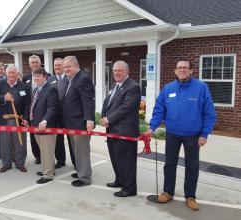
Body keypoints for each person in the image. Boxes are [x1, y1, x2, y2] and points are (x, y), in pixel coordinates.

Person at [144, 59, 216, 211]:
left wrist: (204, 134)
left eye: (185, 68)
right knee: (169, 164)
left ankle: (190, 196)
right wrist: (152, 128)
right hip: (172, 134)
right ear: (175, 71)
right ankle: (168, 192)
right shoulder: (168, 88)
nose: (182, 70)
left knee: (192, 166)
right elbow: (159, 110)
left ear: (191, 70)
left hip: (193, 135)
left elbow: (209, 113)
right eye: (179, 68)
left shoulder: (201, 88)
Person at [101, 61, 141, 197]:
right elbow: (107, 102)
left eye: (119, 70)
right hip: (112, 130)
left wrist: (109, 119)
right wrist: (103, 116)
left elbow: (126, 108)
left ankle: (129, 189)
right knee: (116, 158)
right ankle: (119, 180)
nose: (116, 73)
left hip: (125, 131)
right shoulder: (115, 85)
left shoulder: (133, 87)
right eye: (114, 71)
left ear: (127, 72)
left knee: (126, 161)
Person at [62, 56, 95, 187]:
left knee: (82, 152)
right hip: (71, 123)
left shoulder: (83, 79)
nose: (66, 69)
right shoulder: (70, 80)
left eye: (68, 66)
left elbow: (88, 102)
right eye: (65, 67)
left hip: (80, 124)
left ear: (76, 66)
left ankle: (85, 178)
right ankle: (81, 171)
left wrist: (89, 120)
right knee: (77, 151)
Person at [0, 64, 31, 173]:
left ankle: (20, 163)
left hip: (18, 119)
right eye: (9, 73)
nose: (11, 75)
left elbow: (27, 103)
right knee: (5, 143)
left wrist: (25, 117)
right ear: (6, 73)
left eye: (13, 73)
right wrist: (4, 98)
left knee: (20, 143)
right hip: (4, 119)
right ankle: (6, 163)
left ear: (17, 74)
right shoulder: (0, 84)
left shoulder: (23, 86)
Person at [30, 68, 58, 184]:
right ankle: (48, 169)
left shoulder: (51, 90)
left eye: (38, 76)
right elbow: (34, 106)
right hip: (36, 125)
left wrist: (45, 120)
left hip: (46, 126)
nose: (36, 78)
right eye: (34, 76)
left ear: (45, 77)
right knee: (44, 151)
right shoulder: (37, 89)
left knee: (47, 151)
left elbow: (52, 108)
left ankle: (48, 175)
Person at [48, 58, 75, 169]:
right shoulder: (50, 79)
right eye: (55, 65)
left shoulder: (70, 78)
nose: (57, 67)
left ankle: (76, 162)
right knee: (58, 139)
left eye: (59, 65)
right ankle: (60, 160)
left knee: (71, 139)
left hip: (68, 116)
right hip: (55, 116)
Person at [22, 55, 42, 164]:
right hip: (30, 112)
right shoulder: (26, 78)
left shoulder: (47, 76)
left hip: (43, 112)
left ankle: (46, 155)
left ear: (40, 63)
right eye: (32, 62)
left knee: (44, 136)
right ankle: (37, 156)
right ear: (29, 65)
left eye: (36, 62)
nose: (34, 64)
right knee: (33, 136)